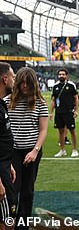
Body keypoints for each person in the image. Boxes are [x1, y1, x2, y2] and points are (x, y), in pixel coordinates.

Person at [4, 67, 48, 230]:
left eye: (27, 83)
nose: (24, 86)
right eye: (21, 82)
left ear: (33, 83)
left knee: (28, 190)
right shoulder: (7, 102)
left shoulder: (40, 103)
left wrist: (35, 151)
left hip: (32, 150)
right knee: (13, 189)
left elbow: (43, 129)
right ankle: (10, 221)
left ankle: (24, 224)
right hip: (13, 151)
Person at [0, 63, 16, 229]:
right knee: (5, 221)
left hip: (4, 167)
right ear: (5, 79)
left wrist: (8, 163)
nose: (14, 80)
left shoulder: (2, 104)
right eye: (12, 77)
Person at [50, 68, 79, 158]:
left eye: (63, 74)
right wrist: (51, 112)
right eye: (60, 74)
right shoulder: (55, 86)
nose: (61, 76)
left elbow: (76, 98)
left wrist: (76, 110)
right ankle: (62, 150)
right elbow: (54, 100)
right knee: (61, 131)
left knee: (72, 131)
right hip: (59, 112)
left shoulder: (71, 85)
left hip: (69, 112)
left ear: (66, 76)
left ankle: (74, 150)